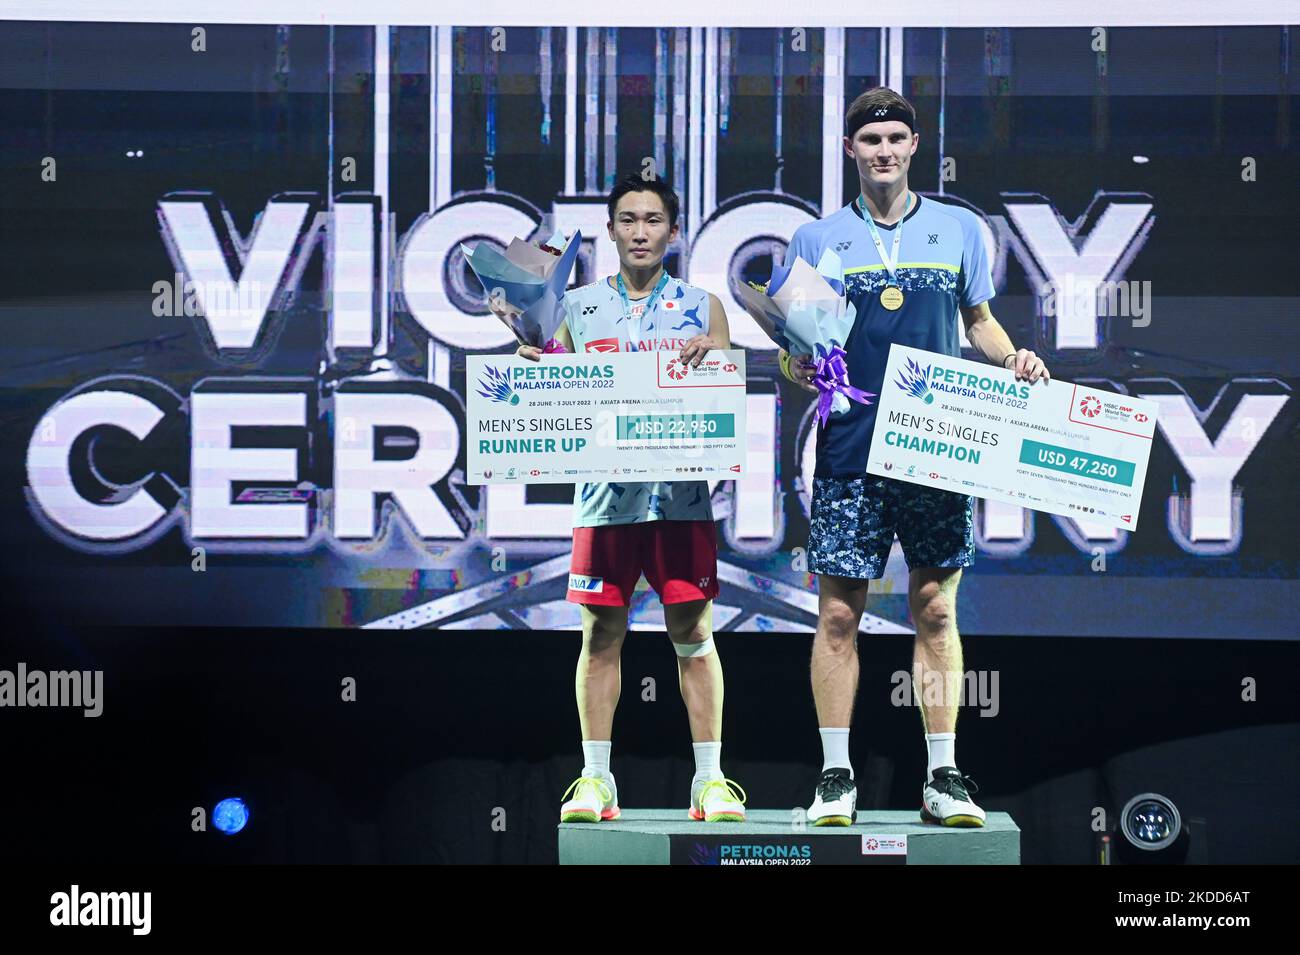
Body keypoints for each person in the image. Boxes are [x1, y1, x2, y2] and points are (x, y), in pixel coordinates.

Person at [776, 88, 1050, 827]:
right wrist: (803, 368)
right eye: (871, 141)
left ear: (915, 145)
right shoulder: (817, 239)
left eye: (897, 138)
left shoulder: (960, 228)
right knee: (838, 616)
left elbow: (981, 322)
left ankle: (943, 775)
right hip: (847, 451)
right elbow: (791, 351)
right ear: (849, 150)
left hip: (938, 450)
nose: (885, 151)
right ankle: (836, 777)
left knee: (935, 610)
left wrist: (1014, 357)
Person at [501, 174, 746, 824]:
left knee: (694, 633)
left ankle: (711, 781)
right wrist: (534, 369)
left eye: (654, 220)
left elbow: (724, 393)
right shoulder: (575, 308)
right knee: (601, 633)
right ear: (610, 229)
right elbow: (559, 392)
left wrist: (714, 356)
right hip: (605, 501)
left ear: (673, 230)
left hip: (681, 501)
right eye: (629, 219)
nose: (641, 231)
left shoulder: (704, 304)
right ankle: (596, 778)